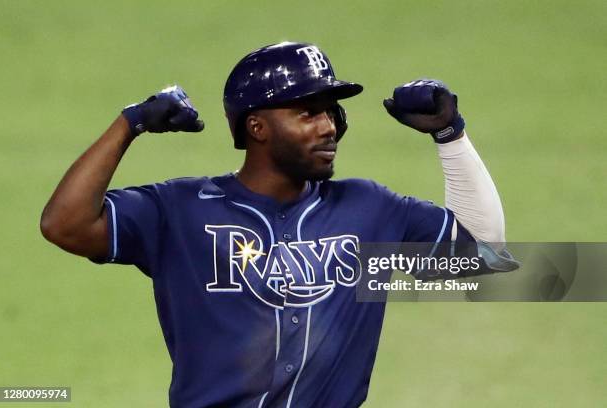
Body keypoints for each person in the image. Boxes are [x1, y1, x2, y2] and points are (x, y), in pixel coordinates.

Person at [40, 42, 517, 407]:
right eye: (308, 113)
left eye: (331, 111)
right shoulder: (180, 209)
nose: (328, 125)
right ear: (257, 128)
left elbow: (484, 255)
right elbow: (65, 223)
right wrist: (131, 123)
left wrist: (449, 134)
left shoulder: (370, 209)